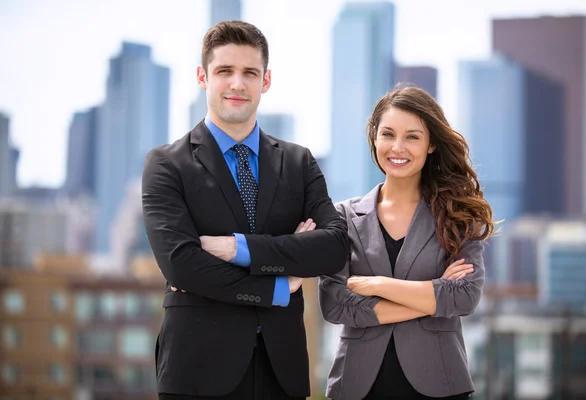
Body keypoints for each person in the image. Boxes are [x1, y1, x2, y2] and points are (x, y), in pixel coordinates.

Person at [142, 20, 348, 400]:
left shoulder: (299, 162)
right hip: (197, 373)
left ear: (265, 81)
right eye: (225, 71)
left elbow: (334, 248)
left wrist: (240, 249)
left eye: (249, 73)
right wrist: (278, 286)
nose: (238, 84)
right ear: (203, 76)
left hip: (281, 372)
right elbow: (182, 265)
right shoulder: (166, 164)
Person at [319, 85, 496, 400]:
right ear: (374, 138)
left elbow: (465, 296)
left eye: (412, 137)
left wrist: (376, 284)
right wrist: (433, 293)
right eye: (388, 134)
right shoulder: (343, 216)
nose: (397, 147)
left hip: (439, 383)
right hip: (357, 386)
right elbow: (335, 303)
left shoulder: (458, 216)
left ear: (430, 145)